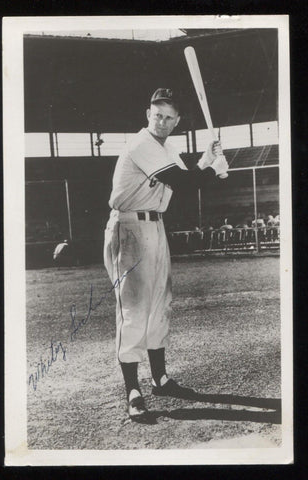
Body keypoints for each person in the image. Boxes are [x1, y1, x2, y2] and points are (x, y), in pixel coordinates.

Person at [103, 88, 228, 420]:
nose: (161, 121)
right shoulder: (141, 144)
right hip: (128, 228)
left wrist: (207, 158)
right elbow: (185, 184)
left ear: (177, 121)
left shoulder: (168, 148)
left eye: (168, 116)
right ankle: (133, 390)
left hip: (155, 226)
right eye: (156, 114)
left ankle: (160, 378)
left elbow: (184, 179)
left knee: (160, 303)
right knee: (134, 309)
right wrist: (215, 170)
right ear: (148, 114)